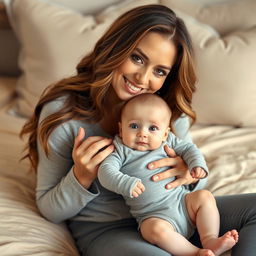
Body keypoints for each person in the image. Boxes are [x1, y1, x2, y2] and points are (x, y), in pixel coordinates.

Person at [20, 4, 256, 256]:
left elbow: (196, 182)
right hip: (111, 230)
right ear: (115, 47)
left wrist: (191, 176)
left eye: (160, 71)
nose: (143, 79)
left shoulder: (167, 112)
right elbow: (49, 209)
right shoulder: (64, 114)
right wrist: (81, 176)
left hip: (175, 213)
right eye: (137, 58)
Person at [98, 93, 238, 256]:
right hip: (153, 215)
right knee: (153, 230)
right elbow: (105, 171)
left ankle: (210, 240)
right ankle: (195, 253)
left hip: (183, 203)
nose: (143, 133)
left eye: (153, 128)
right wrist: (125, 183)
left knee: (204, 196)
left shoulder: (168, 142)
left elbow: (189, 149)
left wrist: (197, 164)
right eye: (134, 126)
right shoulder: (120, 150)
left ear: (165, 133)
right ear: (121, 129)